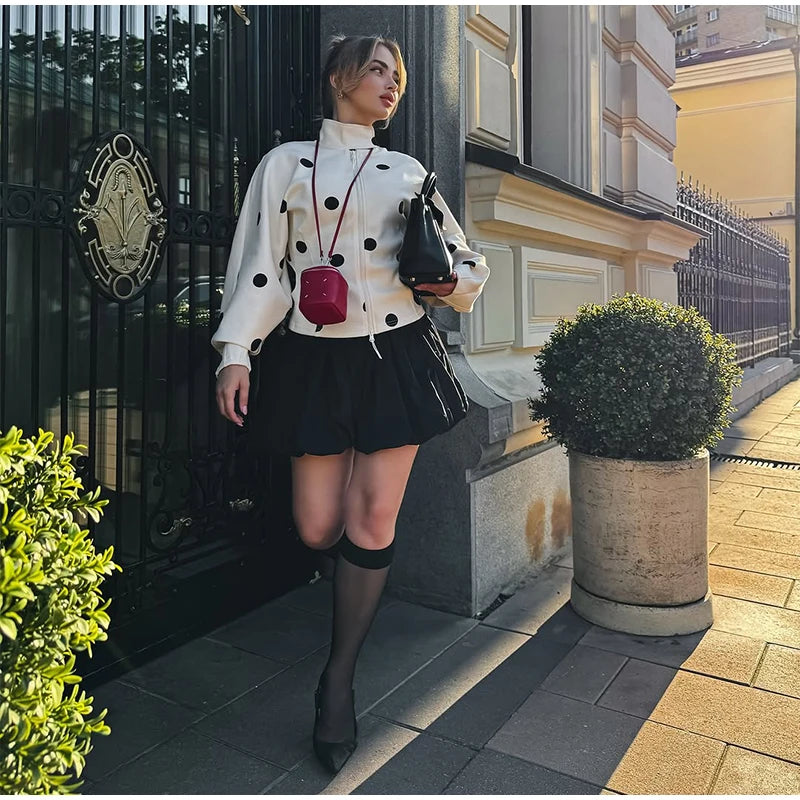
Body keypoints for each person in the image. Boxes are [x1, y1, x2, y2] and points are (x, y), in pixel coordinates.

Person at [212, 34, 490, 775]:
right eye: (376, 70)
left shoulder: (407, 170)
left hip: (396, 356)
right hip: (312, 359)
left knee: (371, 520)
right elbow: (261, 268)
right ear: (339, 77)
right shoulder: (284, 164)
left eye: (398, 75)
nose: (391, 84)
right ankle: (350, 595)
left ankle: (337, 682)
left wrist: (452, 282)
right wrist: (236, 351)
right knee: (316, 526)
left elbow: (464, 260)